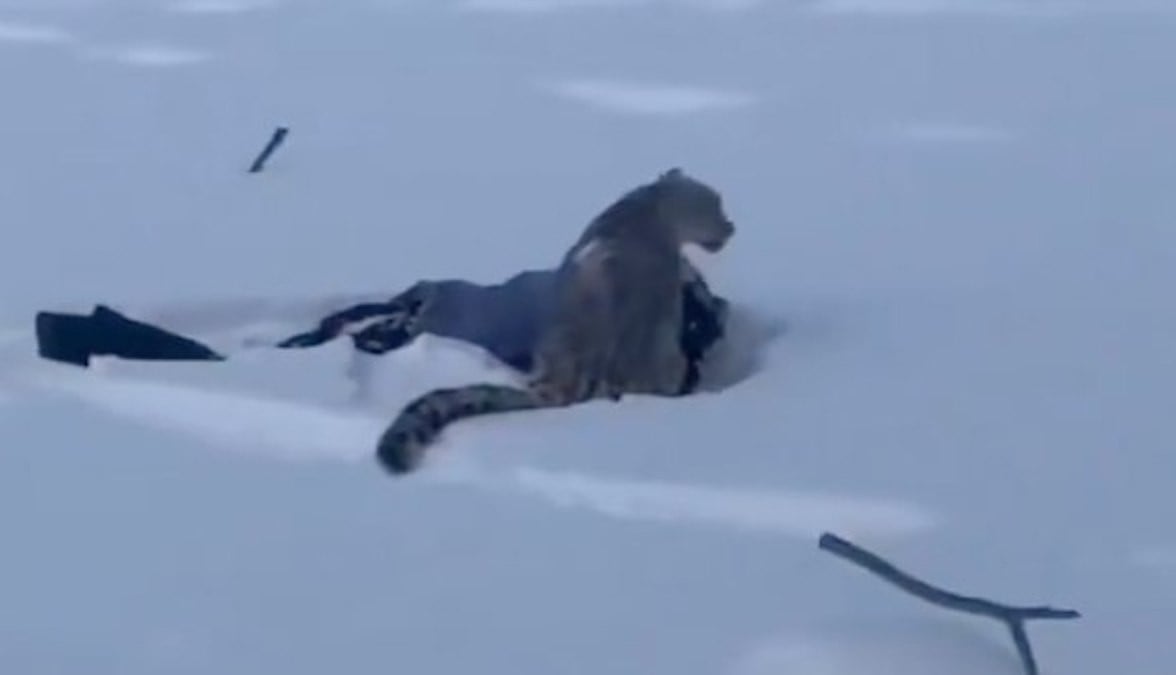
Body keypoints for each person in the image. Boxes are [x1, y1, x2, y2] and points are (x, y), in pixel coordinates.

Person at [35, 265, 730, 395]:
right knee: (241, 372)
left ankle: (89, 337)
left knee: (251, 364)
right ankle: (89, 340)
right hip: (406, 329)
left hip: (420, 307)